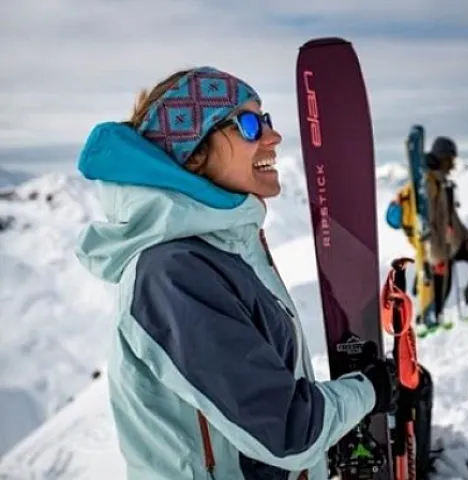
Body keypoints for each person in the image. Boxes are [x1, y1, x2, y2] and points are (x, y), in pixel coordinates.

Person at [73, 67, 396, 479]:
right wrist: (368, 390)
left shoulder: (223, 250)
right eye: (247, 124)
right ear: (194, 152)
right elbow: (287, 431)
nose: (272, 136)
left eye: (267, 120)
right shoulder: (172, 275)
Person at [386, 137, 468, 319]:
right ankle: (426, 322)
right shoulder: (427, 183)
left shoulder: (440, 182)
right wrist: (436, 256)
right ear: (443, 157)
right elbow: (425, 222)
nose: (453, 164)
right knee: (439, 292)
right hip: (435, 248)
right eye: (451, 159)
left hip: (448, 244)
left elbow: (451, 218)